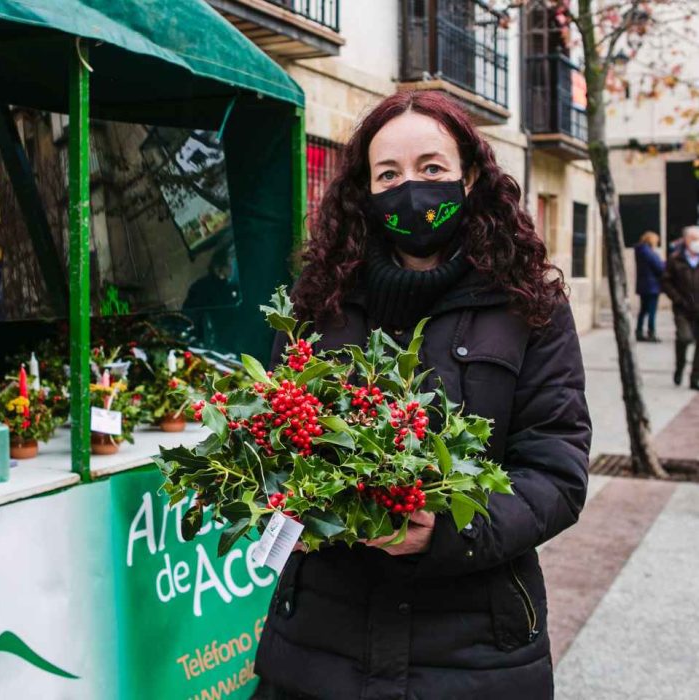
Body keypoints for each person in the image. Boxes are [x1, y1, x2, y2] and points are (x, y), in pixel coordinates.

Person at [253, 91, 590, 700]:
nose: (411, 187)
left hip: (474, 651)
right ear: (364, 191)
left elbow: (556, 472)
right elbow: (274, 437)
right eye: (389, 174)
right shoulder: (315, 302)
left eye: (431, 168)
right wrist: (281, 496)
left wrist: (447, 530)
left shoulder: (528, 307)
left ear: (470, 177)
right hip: (321, 648)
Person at [661, 225, 699, 389]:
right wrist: (677, 298)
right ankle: (680, 367)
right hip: (682, 308)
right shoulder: (675, 259)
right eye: (693, 238)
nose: (696, 242)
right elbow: (666, 281)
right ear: (685, 240)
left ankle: (695, 378)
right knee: (684, 338)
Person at [634, 231, 665, 342]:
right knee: (651, 311)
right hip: (651, 287)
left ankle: (639, 331)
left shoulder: (641, 251)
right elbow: (659, 267)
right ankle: (651, 332)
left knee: (643, 310)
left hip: (645, 285)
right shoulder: (647, 252)